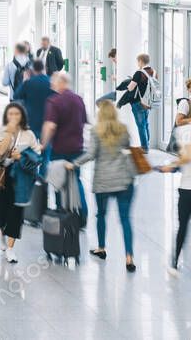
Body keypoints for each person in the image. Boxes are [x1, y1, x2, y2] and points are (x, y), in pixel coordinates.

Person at [69, 101, 137, 272]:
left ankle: (101, 248)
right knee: (125, 219)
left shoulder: (96, 131)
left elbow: (91, 154)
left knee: (101, 215)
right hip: (124, 180)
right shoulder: (123, 128)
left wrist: (74, 164)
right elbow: (128, 150)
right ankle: (129, 257)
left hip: (103, 181)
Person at [0, 103, 39, 264]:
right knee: (1, 211)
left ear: (22, 116)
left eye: (17, 114)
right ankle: (0, 230)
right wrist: (9, 135)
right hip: (4, 176)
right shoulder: (0, 130)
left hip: (22, 177)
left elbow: (37, 156)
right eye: (10, 114)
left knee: (16, 213)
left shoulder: (29, 134)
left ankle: (11, 249)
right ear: (6, 115)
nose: (13, 117)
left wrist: (21, 157)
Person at [40, 73, 89, 221]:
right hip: (77, 147)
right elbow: (84, 121)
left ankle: (62, 213)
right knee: (76, 180)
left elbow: (50, 126)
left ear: (61, 82)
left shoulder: (54, 101)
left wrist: (43, 144)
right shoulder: (79, 99)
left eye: (53, 82)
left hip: (59, 148)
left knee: (58, 180)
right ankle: (81, 216)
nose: (51, 86)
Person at [161, 79, 191, 273]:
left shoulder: (184, 131)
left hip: (187, 186)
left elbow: (186, 157)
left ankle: (174, 261)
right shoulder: (183, 129)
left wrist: (172, 166)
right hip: (186, 184)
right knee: (182, 226)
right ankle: (174, 260)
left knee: (182, 226)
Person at [118, 53, 155, 149]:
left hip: (138, 102)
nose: (137, 63)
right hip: (148, 101)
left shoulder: (139, 73)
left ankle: (144, 147)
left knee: (140, 125)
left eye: (138, 61)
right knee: (146, 124)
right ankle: (147, 144)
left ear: (141, 61)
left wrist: (127, 83)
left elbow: (131, 88)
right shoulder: (153, 72)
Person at [13, 60, 55, 138]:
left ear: (33, 69)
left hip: (32, 121)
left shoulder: (28, 83)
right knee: (47, 146)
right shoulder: (51, 82)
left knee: (32, 146)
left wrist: (24, 80)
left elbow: (16, 96)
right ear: (44, 68)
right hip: (48, 120)